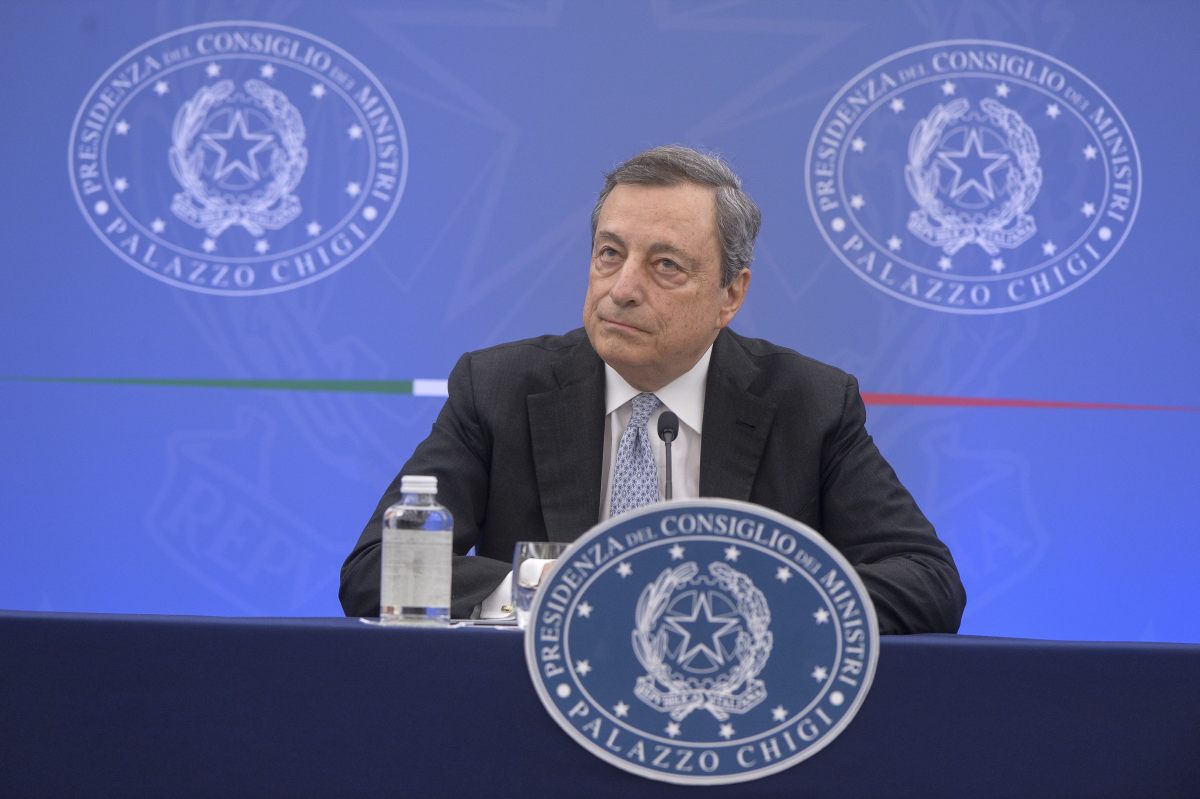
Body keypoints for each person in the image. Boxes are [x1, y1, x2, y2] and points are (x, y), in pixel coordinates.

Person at [340, 145, 966, 634]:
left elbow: (927, 582)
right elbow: (378, 569)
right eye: (610, 254)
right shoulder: (498, 388)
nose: (622, 290)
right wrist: (552, 591)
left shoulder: (809, 404)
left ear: (731, 295)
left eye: (666, 265)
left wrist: (743, 603)